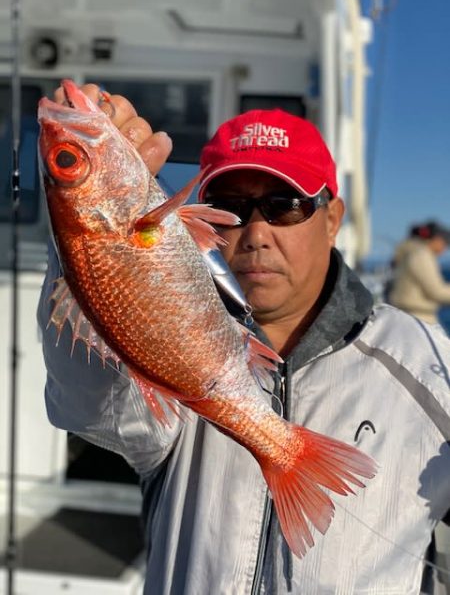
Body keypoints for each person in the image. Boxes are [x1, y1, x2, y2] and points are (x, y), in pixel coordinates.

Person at [37, 84, 450, 595]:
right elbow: (91, 404)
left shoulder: (427, 362)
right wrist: (77, 251)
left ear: (333, 221)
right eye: (230, 205)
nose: (255, 231)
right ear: (200, 218)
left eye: (284, 204)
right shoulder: (176, 319)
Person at [388, 221, 450, 326]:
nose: (445, 249)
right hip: (418, 318)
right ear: (436, 239)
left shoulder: (410, 251)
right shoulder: (421, 256)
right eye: (445, 244)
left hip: (406, 316)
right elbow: (436, 291)